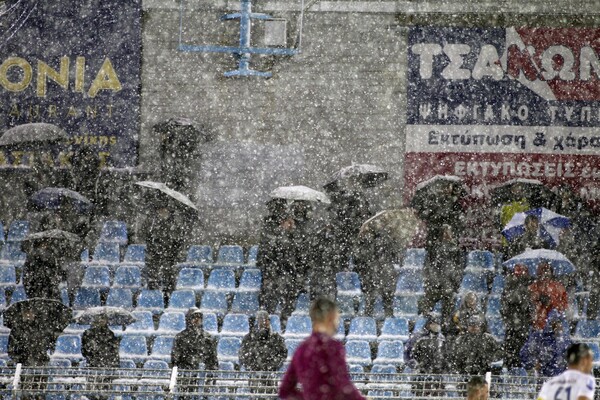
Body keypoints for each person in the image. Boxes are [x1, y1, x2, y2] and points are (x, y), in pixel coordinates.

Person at [279, 298, 367, 400]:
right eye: (337, 318)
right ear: (330, 317)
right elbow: (343, 385)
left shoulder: (301, 349)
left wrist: (310, 396)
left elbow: (285, 390)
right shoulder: (332, 346)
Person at [420, 224, 465, 333]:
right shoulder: (434, 248)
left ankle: (445, 329)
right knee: (426, 308)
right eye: (444, 232)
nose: (446, 234)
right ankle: (428, 329)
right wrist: (432, 280)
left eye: (448, 232)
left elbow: (459, 267)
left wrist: (455, 282)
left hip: (448, 284)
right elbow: (428, 265)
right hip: (434, 283)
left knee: (448, 312)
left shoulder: (456, 249)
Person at [144, 203, 187, 301]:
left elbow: (179, 240)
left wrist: (172, 248)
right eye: (159, 210)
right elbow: (147, 237)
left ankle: (167, 298)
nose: (161, 212)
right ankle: (154, 299)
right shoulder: (152, 222)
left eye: (164, 210)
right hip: (155, 256)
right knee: (153, 279)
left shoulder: (174, 223)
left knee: (168, 278)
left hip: (169, 256)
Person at [172, 308, 218, 398]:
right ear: (189, 319)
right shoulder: (180, 337)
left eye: (199, 317)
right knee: (185, 396)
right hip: (186, 373)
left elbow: (213, 358)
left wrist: (211, 372)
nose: (197, 320)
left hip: (203, 373)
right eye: (194, 317)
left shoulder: (208, 338)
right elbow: (175, 357)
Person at [354, 224, 398, 318]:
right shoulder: (368, 242)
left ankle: (384, 319)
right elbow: (359, 259)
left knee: (380, 300)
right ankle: (383, 318)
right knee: (374, 299)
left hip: (379, 272)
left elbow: (394, 255)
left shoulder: (384, 240)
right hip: (376, 273)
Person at [239, 311, 287, 394]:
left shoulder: (277, 338)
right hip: (255, 375)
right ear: (257, 321)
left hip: (271, 375)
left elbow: (282, 355)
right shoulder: (249, 338)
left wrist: (270, 366)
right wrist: (256, 367)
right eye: (261, 319)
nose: (264, 322)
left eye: (266, 319)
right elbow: (243, 356)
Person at [501, 264, 534, 369]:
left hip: (523, 323)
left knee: (522, 348)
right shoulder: (510, 285)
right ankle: (510, 367)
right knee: (511, 347)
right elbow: (505, 305)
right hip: (512, 323)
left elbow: (530, 306)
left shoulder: (529, 286)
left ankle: (521, 368)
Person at [529, 263, 568, 331]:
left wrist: (551, 303)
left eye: (546, 271)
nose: (545, 274)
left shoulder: (558, 287)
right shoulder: (534, 286)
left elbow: (564, 304)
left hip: (552, 322)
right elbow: (530, 301)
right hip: (538, 322)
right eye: (543, 271)